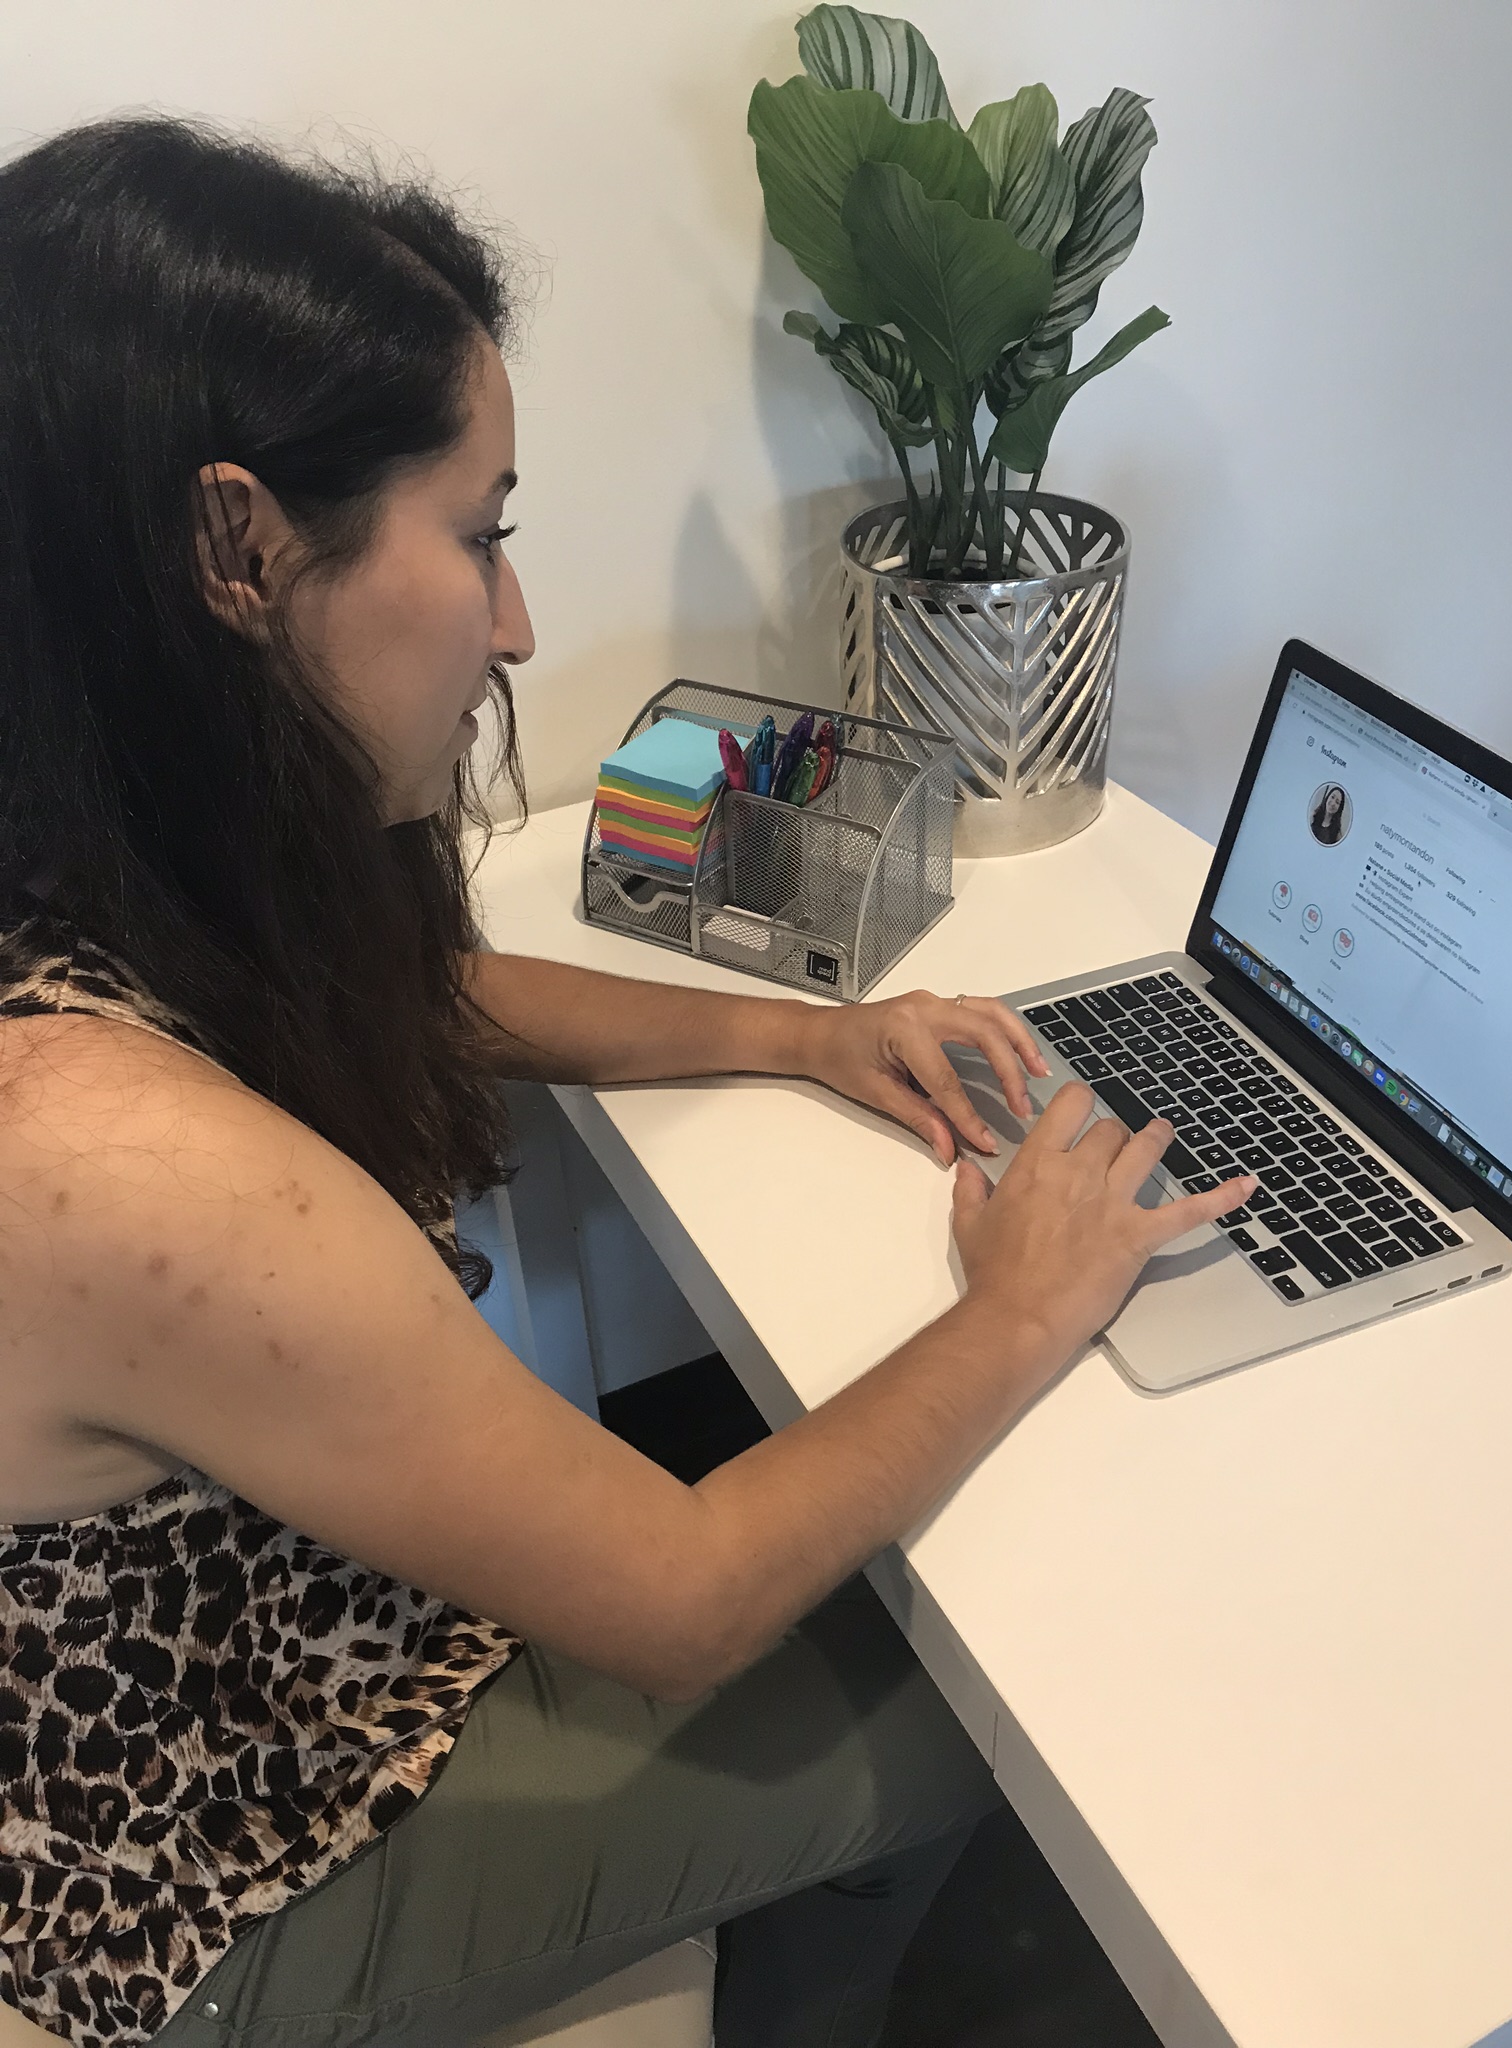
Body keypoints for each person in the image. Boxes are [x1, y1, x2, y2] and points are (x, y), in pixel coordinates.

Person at [0, 118, 1253, 2048]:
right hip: (191, 1875)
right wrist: (1022, 1307)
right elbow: (680, 1596)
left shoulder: (83, 845)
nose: (511, 622)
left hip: (247, 1646)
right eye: (481, 533)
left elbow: (427, 990)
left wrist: (808, 1031)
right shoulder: (126, 1167)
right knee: (1011, 1694)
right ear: (240, 548)